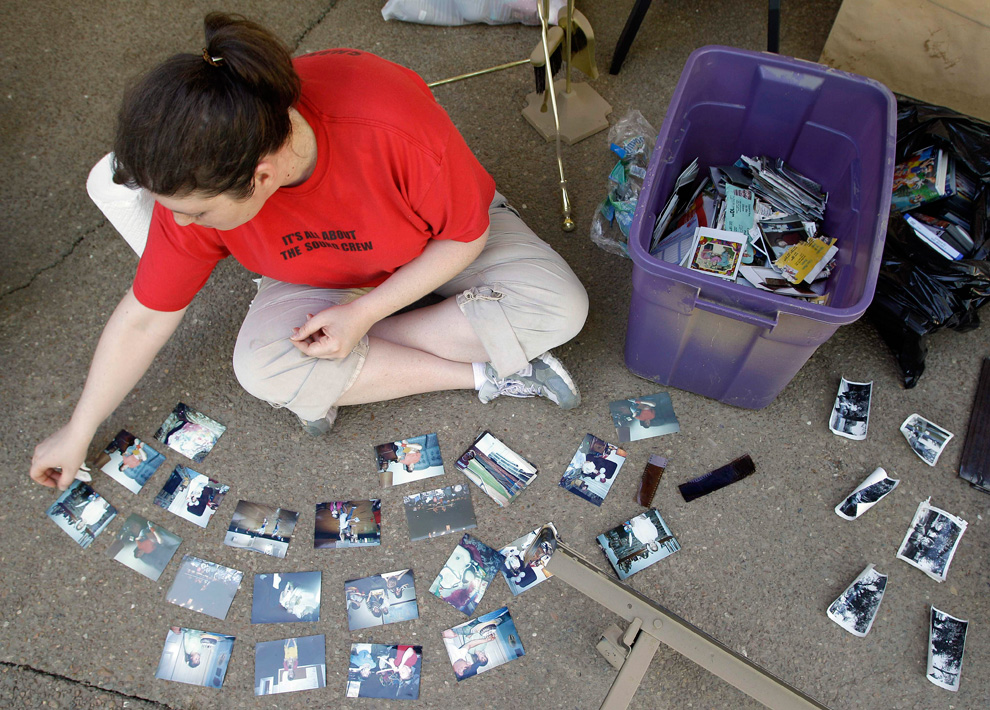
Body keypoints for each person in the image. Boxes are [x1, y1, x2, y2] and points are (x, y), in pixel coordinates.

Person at [29, 11, 588, 491]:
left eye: (195, 212)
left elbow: (464, 237)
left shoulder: (386, 119)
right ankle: (486, 374)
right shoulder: (197, 177)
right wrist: (77, 431)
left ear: (262, 175)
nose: (177, 223)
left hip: (440, 240)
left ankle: (351, 365)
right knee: (259, 369)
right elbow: (144, 318)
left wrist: (361, 318)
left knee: (562, 306)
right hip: (313, 278)